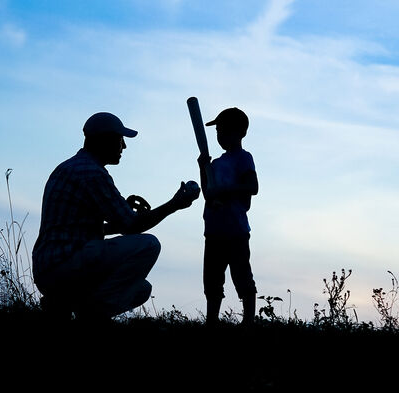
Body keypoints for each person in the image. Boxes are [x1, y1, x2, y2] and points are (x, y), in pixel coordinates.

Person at [32, 112, 200, 320]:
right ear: (106, 140)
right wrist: (174, 204)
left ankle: (61, 304)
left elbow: (83, 228)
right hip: (64, 266)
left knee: (140, 289)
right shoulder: (93, 173)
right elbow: (132, 226)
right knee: (149, 245)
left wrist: (119, 212)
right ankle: (91, 316)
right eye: (121, 140)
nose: (124, 147)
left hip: (50, 269)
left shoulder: (69, 167)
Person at [197, 107, 258, 325]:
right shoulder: (215, 164)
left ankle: (248, 322)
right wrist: (203, 168)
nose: (220, 136)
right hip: (213, 231)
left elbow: (252, 186)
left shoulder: (244, 158)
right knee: (211, 280)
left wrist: (224, 191)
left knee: (242, 277)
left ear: (239, 133)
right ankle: (211, 321)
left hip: (236, 231)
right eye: (218, 132)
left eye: (224, 131)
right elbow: (207, 193)